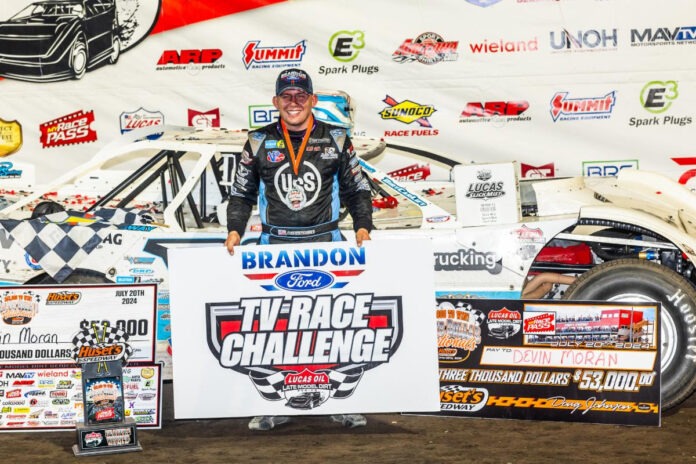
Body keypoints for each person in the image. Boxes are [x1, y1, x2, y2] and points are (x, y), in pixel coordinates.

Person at [225, 68, 373, 431]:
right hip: (274, 245)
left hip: (327, 244)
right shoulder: (258, 141)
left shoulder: (336, 138)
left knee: (331, 323)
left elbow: (357, 188)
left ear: (313, 100)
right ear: (276, 102)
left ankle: (342, 402)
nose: (293, 103)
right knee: (279, 329)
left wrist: (363, 226)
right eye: (286, 97)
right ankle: (278, 404)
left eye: (300, 96)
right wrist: (234, 231)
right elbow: (241, 193)